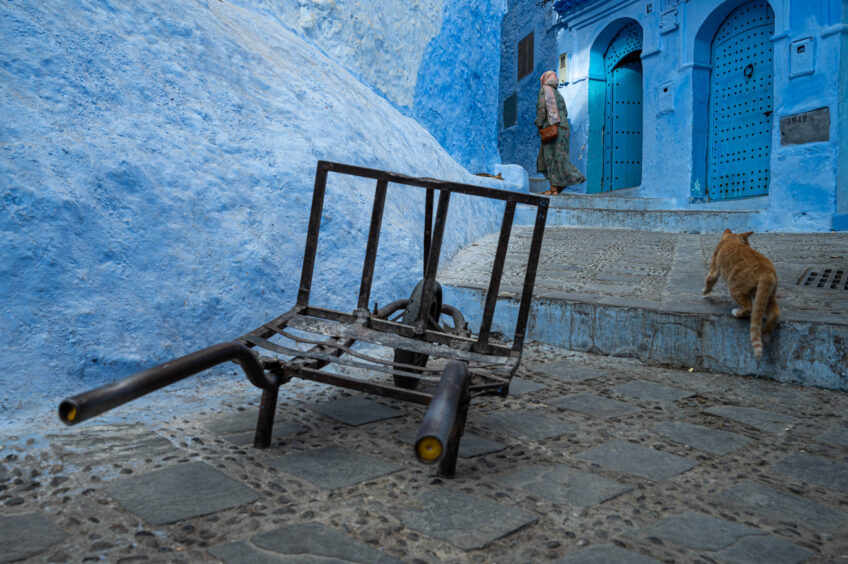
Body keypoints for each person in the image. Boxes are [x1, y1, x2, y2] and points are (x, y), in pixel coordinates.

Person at [535, 70, 585, 195]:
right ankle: (556, 188)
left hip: (552, 128)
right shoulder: (558, 94)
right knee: (560, 158)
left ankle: (555, 188)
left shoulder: (544, 91)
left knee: (550, 158)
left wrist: (539, 124)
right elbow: (565, 113)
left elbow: (542, 110)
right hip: (563, 129)